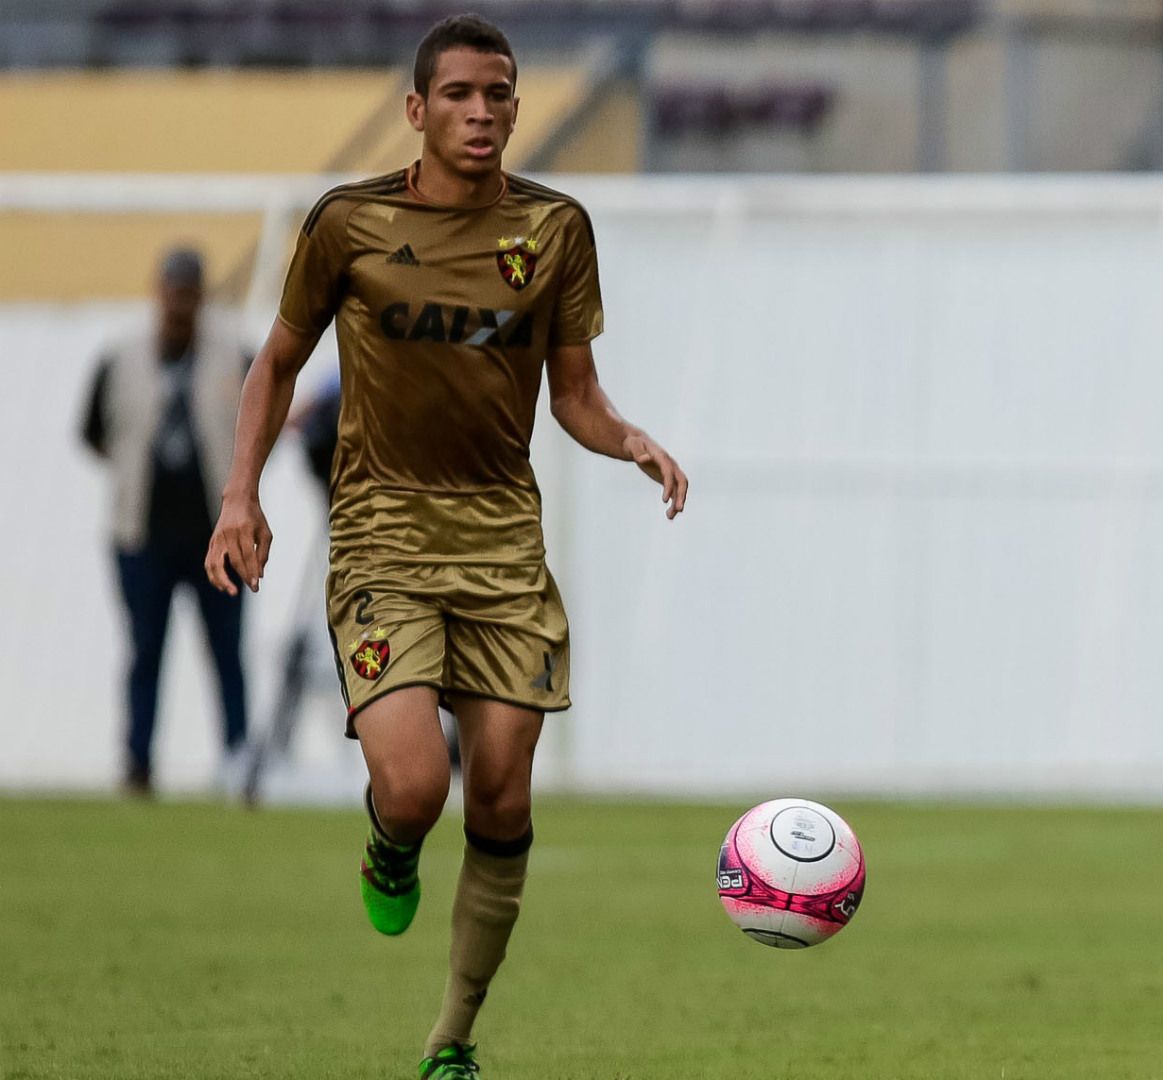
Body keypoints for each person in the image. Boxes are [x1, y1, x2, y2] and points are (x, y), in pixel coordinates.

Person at [203, 15, 689, 1079]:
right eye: (461, 95)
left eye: (500, 94)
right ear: (417, 111)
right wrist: (240, 496)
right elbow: (275, 364)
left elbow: (576, 395)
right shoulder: (349, 224)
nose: (483, 113)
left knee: (505, 793)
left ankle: (452, 1041)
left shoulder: (556, 228)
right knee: (419, 787)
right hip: (381, 538)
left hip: (504, 552)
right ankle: (390, 839)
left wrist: (629, 439)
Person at [83, 247, 253, 797]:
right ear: (159, 292)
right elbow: (93, 432)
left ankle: (237, 759)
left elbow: (259, 426)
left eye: (189, 291)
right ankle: (137, 763)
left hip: (218, 534)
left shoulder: (234, 355)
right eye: (172, 290)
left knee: (226, 653)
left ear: (202, 295)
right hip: (142, 535)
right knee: (145, 652)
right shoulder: (121, 358)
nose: (180, 303)